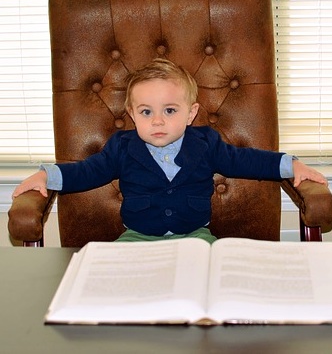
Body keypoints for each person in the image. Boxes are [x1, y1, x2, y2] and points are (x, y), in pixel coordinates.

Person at [12, 59, 328, 243]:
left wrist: (290, 165)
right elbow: (86, 171)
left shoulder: (206, 143)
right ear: (132, 114)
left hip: (195, 237)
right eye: (147, 112)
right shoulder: (122, 147)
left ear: (191, 114)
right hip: (136, 238)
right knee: (116, 282)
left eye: (171, 111)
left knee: (210, 280)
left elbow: (246, 160)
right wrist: (48, 175)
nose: (159, 120)